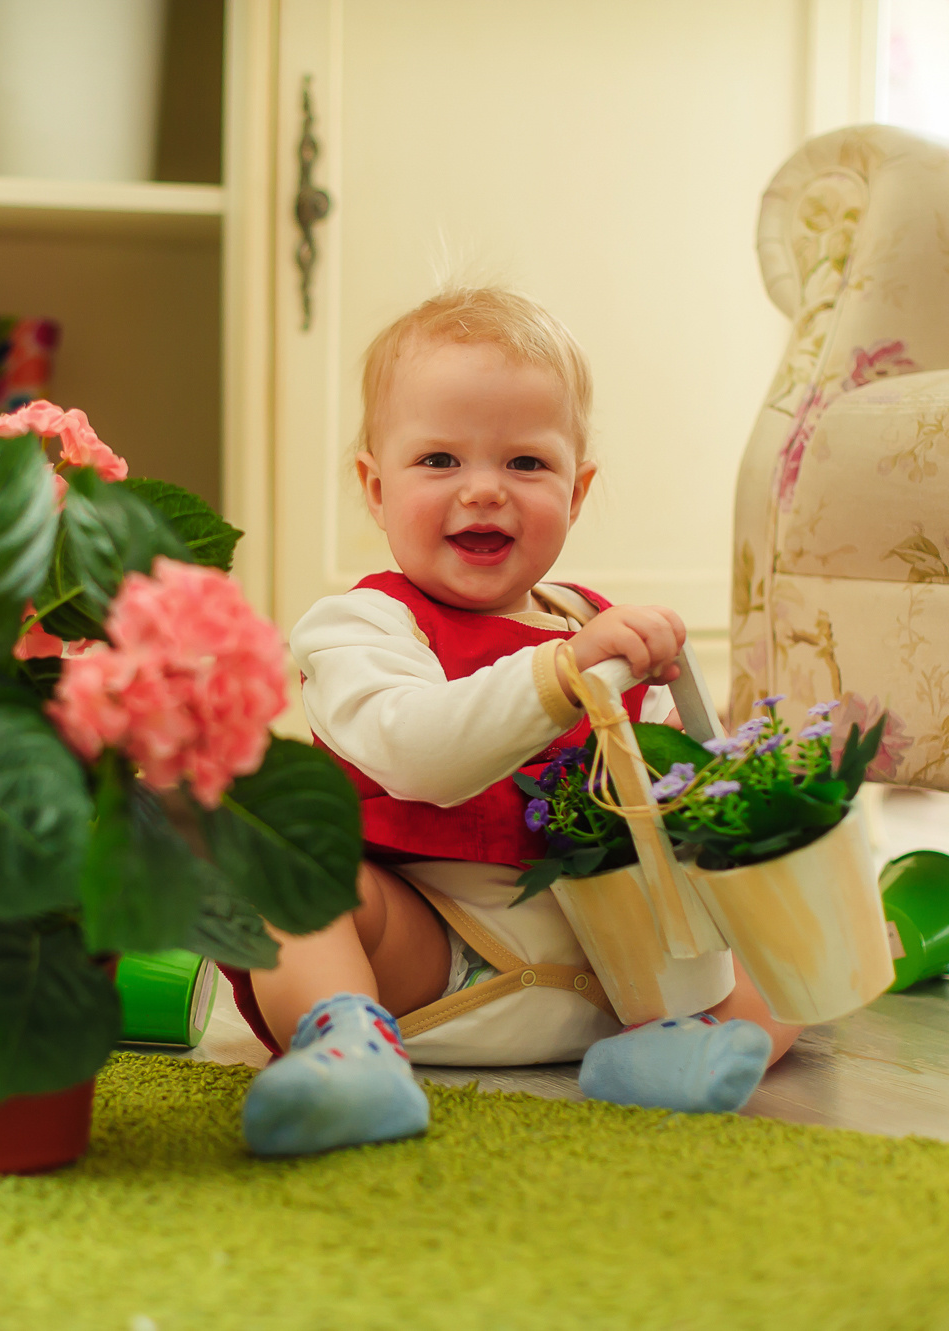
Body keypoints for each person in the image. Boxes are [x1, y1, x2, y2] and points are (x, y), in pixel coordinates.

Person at [232, 288, 801, 1157]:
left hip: (620, 979)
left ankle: (674, 1057)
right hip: (421, 962)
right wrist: (562, 674)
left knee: (802, 945)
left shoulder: (596, 625)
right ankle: (346, 1045)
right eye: (439, 460)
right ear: (376, 488)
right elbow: (417, 752)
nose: (484, 490)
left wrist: (720, 789)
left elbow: (674, 798)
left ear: (577, 491)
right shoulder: (359, 625)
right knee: (285, 868)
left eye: (527, 463)